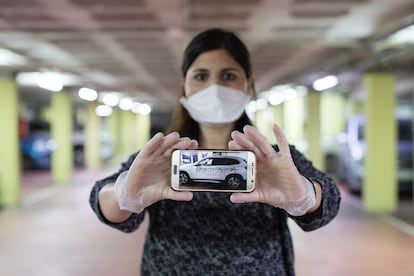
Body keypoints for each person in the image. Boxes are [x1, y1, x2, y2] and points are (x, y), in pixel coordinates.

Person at [89, 28, 341, 275]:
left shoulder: (274, 159)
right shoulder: (160, 158)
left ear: (248, 84)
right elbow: (103, 199)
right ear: (184, 85)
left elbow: (328, 201)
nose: (214, 87)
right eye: (200, 76)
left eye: (228, 76)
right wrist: (123, 195)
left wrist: (305, 196)